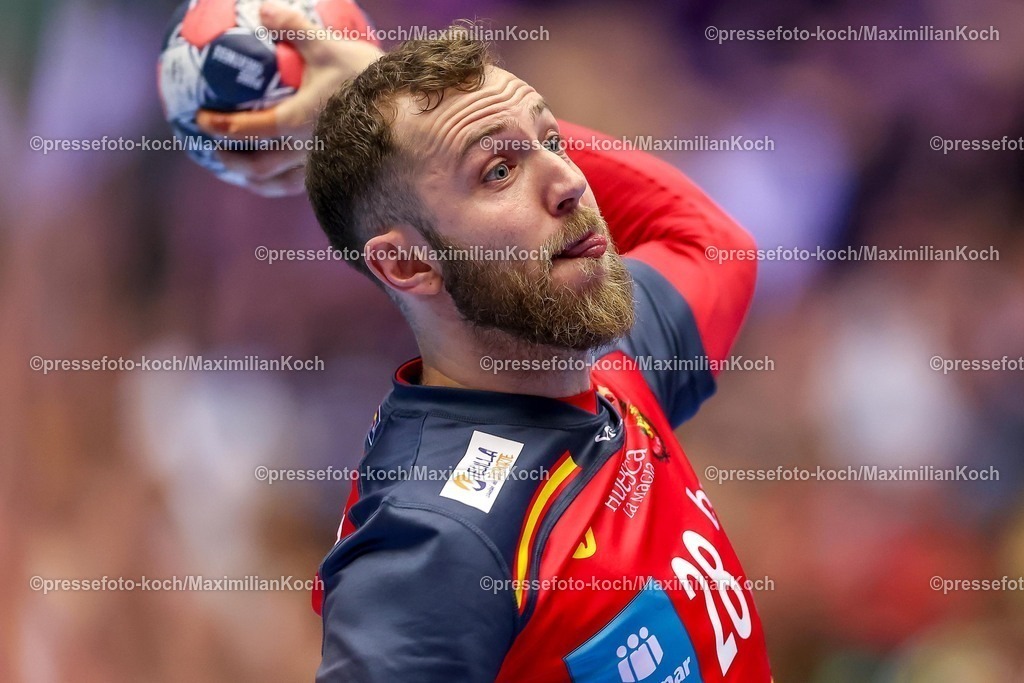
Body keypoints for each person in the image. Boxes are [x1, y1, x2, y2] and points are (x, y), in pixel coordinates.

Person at [199, 4, 773, 681]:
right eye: (498, 172)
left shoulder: (610, 370)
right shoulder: (439, 539)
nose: (570, 184)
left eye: (553, 142)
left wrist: (391, 88)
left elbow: (712, 245)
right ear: (408, 264)